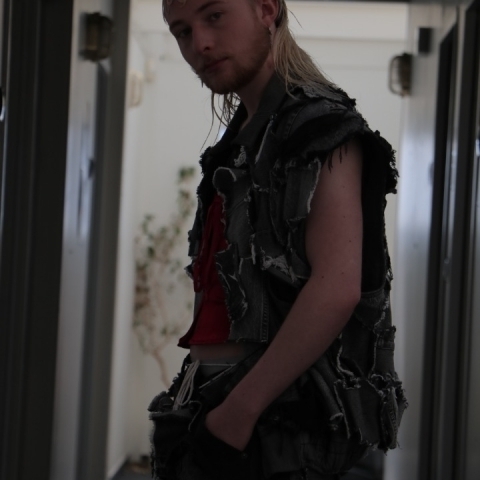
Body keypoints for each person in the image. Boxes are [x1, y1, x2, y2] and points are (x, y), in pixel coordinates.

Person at [148, 1, 407, 479]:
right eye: (181, 31)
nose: (199, 43)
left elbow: (336, 288)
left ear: (267, 9)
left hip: (278, 421)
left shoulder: (318, 126)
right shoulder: (244, 138)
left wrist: (238, 414)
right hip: (222, 401)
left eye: (214, 16)